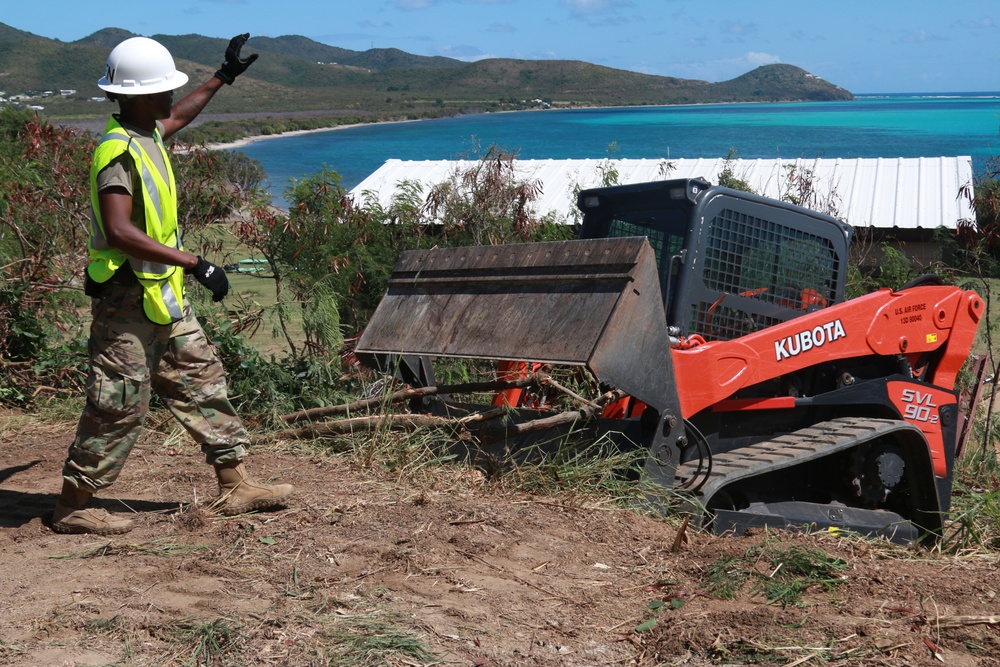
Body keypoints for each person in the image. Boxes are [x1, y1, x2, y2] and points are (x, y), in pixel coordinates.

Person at [52, 34, 293, 535]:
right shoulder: (116, 153)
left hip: (161, 295)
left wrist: (222, 78)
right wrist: (195, 262)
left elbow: (181, 115)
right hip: (125, 299)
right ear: (137, 95)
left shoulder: (149, 133)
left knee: (202, 382)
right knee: (118, 402)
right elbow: (120, 230)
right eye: (160, 89)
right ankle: (74, 503)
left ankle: (235, 484)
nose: (168, 96)